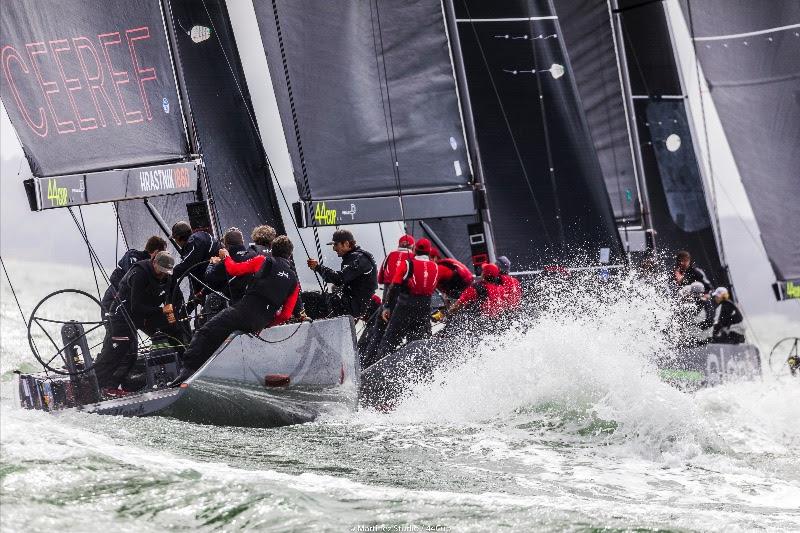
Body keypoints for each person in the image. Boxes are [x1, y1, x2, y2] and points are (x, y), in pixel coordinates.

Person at [170, 236, 301, 384]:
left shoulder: (263, 261)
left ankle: (186, 373)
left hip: (243, 313)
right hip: (259, 322)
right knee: (224, 333)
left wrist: (225, 257)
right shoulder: (294, 281)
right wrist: (265, 324)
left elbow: (234, 269)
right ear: (289, 255)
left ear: (273, 250)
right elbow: (285, 315)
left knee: (204, 333)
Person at [93, 251, 178, 394]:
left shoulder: (167, 276)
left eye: (166, 272)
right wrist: (162, 311)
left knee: (170, 333)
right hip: (123, 314)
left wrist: (171, 316)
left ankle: (176, 372)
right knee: (119, 351)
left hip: (142, 315)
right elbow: (136, 306)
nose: (163, 275)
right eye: (161, 271)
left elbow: (167, 298)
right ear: (154, 262)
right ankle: (97, 385)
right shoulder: (140, 273)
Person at [371, 238, 439, 364]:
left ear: (415, 250)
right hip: (424, 309)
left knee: (390, 339)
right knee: (417, 342)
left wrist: (387, 307)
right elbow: (432, 287)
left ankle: (378, 370)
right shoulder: (435, 266)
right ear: (429, 252)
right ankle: (418, 370)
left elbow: (394, 286)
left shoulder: (407, 264)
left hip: (405, 306)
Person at [305, 229, 377, 319]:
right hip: (350, 305)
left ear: (346, 244)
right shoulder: (354, 257)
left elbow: (339, 279)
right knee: (313, 297)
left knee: (309, 298)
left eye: (336, 244)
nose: (334, 248)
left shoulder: (359, 259)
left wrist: (318, 267)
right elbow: (335, 279)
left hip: (351, 308)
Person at [100, 236, 167, 317]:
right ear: (156, 252)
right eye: (163, 253)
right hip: (114, 301)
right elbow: (132, 283)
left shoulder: (151, 267)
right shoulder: (135, 259)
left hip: (126, 304)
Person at [446, 263, 519, 327]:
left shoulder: (476, 288)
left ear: (483, 274)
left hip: (479, 324)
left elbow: (458, 305)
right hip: (497, 324)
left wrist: (447, 313)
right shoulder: (501, 289)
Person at [171, 220, 220, 299]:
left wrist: (169, 275)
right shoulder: (199, 236)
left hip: (214, 279)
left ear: (179, 238)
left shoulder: (195, 243)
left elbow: (187, 265)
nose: (176, 242)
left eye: (175, 239)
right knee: (195, 298)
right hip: (210, 275)